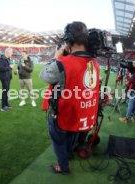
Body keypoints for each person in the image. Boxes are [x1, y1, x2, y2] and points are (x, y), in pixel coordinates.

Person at [40, 21, 100, 174]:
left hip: (63, 115)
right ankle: (68, 154)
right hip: (81, 115)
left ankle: (64, 166)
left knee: (58, 141)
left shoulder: (61, 63)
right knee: (70, 138)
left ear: (68, 40)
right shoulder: (95, 63)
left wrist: (55, 57)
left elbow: (44, 75)